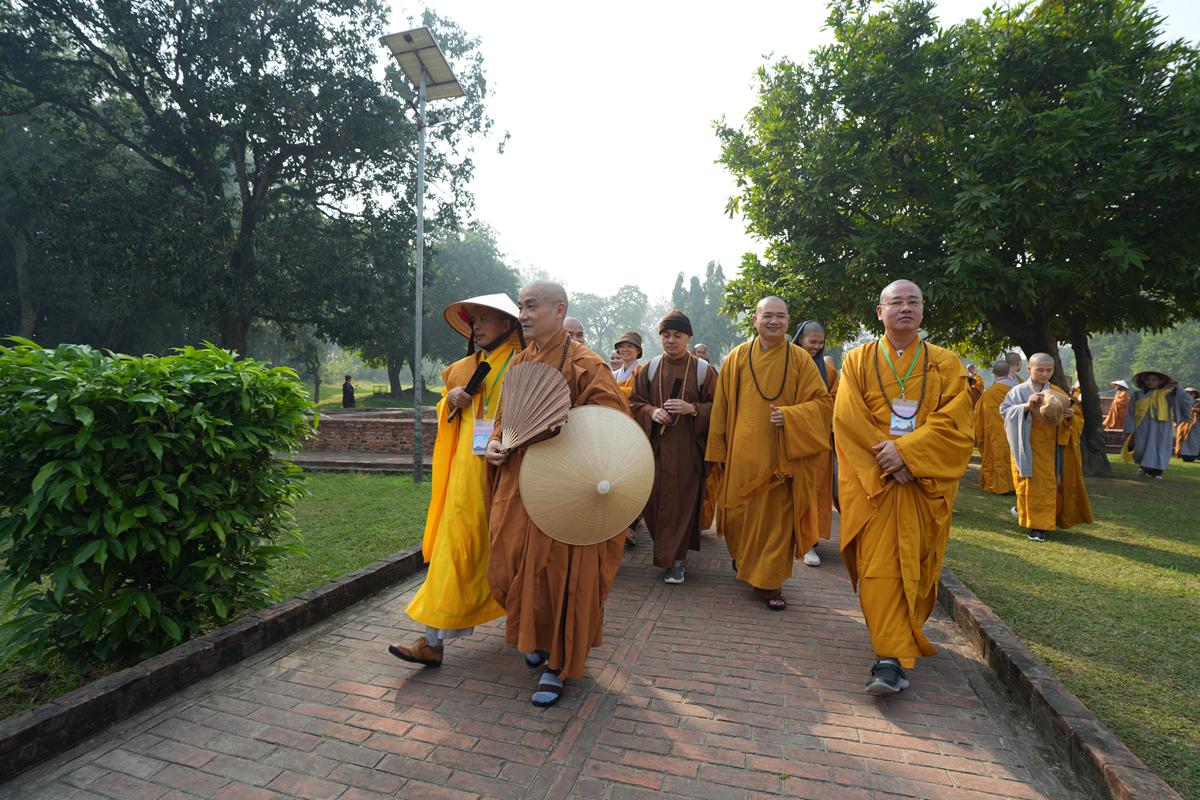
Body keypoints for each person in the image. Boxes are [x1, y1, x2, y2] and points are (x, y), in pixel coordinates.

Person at [485, 281, 627, 707]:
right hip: (519, 482)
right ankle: (536, 637)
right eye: (521, 307)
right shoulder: (521, 361)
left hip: (565, 489)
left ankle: (558, 665)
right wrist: (494, 442)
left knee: (562, 576)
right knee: (510, 564)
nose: (523, 315)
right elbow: (503, 418)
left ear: (558, 310)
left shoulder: (587, 364)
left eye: (531, 307)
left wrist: (568, 426)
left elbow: (611, 425)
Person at [833, 280, 973, 695]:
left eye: (914, 302)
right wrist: (891, 460)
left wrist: (909, 455)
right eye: (896, 302)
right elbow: (848, 419)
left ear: (923, 311)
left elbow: (956, 423)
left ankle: (893, 650)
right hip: (875, 482)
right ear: (880, 312)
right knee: (879, 568)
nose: (906, 308)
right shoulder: (857, 360)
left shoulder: (946, 363)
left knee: (914, 564)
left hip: (921, 483)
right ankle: (890, 659)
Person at [389, 294, 524, 668]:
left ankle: (533, 633)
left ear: (507, 324)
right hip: (467, 474)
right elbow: (446, 413)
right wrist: (450, 400)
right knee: (455, 549)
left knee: (515, 551)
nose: (476, 326)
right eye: (473, 320)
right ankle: (432, 641)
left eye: (484, 319)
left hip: (511, 470)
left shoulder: (525, 364)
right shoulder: (464, 369)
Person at [705, 296, 832, 611]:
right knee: (738, 518)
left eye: (781, 316)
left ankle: (769, 582)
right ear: (755, 320)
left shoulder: (801, 360)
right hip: (740, 457)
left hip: (781, 460)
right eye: (767, 315)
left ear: (788, 321)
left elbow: (822, 404)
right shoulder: (736, 358)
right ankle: (745, 561)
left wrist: (791, 416)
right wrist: (718, 450)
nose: (774, 321)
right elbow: (720, 408)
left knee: (777, 524)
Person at [629, 311, 717, 584]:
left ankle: (676, 560)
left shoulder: (703, 371)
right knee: (655, 503)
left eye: (677, 336)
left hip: (687, 452)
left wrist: (693, 409)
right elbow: (635, 402)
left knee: (680, 505)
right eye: (666, 335)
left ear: (688, 338)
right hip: (655, 449)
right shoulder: (649, 368)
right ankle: (668, 552)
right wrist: (652, 412)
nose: (671, 340)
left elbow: (719, 408)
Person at [999, 353, 1092, 542]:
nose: (1044, 374)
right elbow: (1005, 411)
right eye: (1040, 370)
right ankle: (1036, 527)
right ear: (1029, 369)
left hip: (1053, 448)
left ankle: (1039, 522)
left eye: (1049, 370)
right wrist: (1026, 406)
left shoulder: (1057, 391)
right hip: (1027, 447)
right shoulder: (1018, 391)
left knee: (1050, 486)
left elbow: (1076, 418)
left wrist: (1069, 416)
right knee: (1032, 486)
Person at [793, 319, 838, 567]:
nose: (816, 347)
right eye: (812, 341)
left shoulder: (827, 371)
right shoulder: (786, 363)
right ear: (800, 338)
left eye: (821, 343)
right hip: (787, 437)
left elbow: (834, 403)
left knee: (814, 491)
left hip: (817, 442)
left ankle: (809, 542)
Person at [1123, 370, 1190, 479]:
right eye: (1147, 379)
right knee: (1141, 448)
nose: (1150, 382)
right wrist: (1128, 429)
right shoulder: (1137, 395)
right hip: (1142, 425)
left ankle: (1157, 472)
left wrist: (1177, 388)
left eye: (1154, 380)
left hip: (1162, 427)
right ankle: (1144, 467)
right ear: (1143, 380)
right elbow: (1130, 413)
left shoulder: (1168, 395)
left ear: (1160, 381)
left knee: (1160, 448)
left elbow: (1186, 400)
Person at [975, 360, 1015, 495]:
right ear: (1009, 372)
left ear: (993, 372)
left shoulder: (988, 393)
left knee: (996, 457)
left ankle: (999, 485)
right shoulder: (1016, 391)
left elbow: (978, 416)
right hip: (1013, 433)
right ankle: (1014, 485)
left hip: (994, 433)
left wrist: (980, 434)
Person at [612, 331, 643, 401]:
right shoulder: (614, 375)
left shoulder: (642, 372)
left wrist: (613, 389)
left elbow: (638, 394)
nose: (625, 349)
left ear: (638, 350)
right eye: (622, 346)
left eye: (629, 346)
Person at [1176, 387, 1200, 462]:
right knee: (1183, 439)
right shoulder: (1182, 402)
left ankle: (1193, 455)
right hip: (1184, 424)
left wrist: (1197, 410)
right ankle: (1184, 454)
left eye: (1192, 393)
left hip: (1196, 425)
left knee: (1194, 440)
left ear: (1195, 394)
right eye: (1188, 393)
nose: (1190, 395)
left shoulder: (1198, 402)